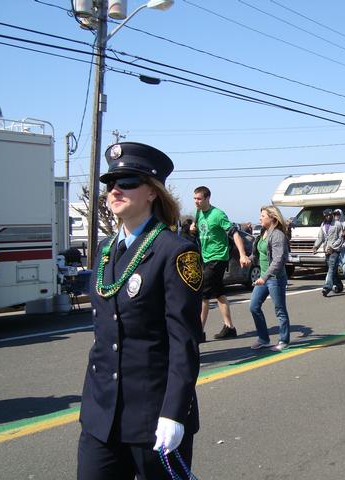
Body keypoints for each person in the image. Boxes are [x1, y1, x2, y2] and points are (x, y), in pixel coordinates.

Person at [77, 142, 203, 480]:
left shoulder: (175, 251)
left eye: (128, 181)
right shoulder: (105, 249)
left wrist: (175, 413)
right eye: (110, 183)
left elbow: (184, 342)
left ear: (152, 192)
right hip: (102, 412)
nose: (115, 189)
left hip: (153, 414)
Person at [191, 186, 250, 340]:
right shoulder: (198, 213)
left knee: (203, 293)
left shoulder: (217, 214)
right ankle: (229, 327)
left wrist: (243, 255)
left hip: (218, 258)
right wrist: (193, 228)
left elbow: (234, 233)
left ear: (207, 198)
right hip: (206, 257)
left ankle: (198, 332)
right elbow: (199, 229)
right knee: (218, 293)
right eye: (194, 198)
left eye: (199, 199)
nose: (196, 202)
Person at [248, 205, 291, 352]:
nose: (260, 218)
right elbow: (258, 254)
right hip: (264, 278)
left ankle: (284, 340)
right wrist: (248, 259)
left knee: (280, 310)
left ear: (272, 217)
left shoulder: (278, 235)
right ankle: (263, 339)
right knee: (253, 307)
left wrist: (264, 277)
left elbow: (279, 260)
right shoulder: (263, 233)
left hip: (275, 279)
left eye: (263, 216)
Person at [312, 208, 344, 296]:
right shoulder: (323, 224)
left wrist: (333, 247)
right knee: (332, 269)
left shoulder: (337, 224)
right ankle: (339, 285)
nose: (329, 216)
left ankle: (327, 287)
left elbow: (341, 238)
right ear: (324, 216)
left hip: (335, 251)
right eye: (327, 215)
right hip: (326, 250)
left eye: (330, 215)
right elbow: (320, 237)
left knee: (331, 269)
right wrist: (316, 246)